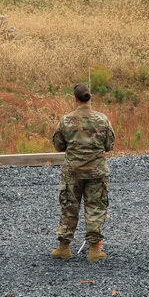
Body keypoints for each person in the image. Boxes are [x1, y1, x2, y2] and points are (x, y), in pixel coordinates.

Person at [51, 83, 115, 262]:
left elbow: (58, 145)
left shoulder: (66, 120)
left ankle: (64, 247)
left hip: (73, 172)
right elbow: (109, 145)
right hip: (97, 172)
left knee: (69, 207)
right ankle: (94, 250)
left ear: (75, 98)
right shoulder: (102, 120)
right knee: (96, 208)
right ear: (90, 97)